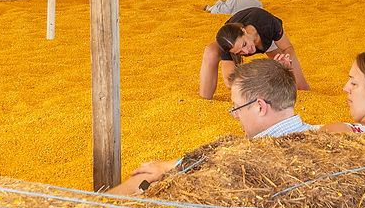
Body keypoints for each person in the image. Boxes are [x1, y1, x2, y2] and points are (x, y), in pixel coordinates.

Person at [110, 59, 317, 195]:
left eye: (237, 107)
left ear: (260, 107)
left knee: (146, 180)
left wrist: (170, 168)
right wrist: (173, 164)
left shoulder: (260, 154)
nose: (235, 116)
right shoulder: (323, 133)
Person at [199, 7, 310, 99]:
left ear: (244, 31)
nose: (247, 51)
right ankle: (205, 101)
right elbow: (229, 83)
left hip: (268, 38)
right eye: (240, 52)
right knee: (210, 51)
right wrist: (257, 78)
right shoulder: (230, 46)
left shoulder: (268, 23)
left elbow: (288, 48)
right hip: (232, 40)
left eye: (244, 45)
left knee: (300, 85)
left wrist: (286, 59)